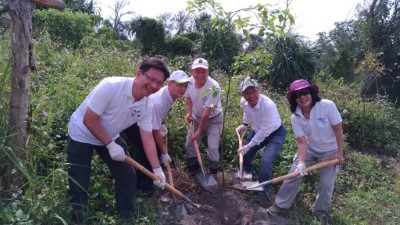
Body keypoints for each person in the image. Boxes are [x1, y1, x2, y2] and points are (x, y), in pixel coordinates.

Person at [66, 57, 170, 223]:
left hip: (109, 135)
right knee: (79, 182)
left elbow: (147, 137)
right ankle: (78, 219)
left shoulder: (147, 105)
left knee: (127, 175)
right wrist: (110, 144)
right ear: (138, 73)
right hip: (82, 133)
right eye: (151, 79)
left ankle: (126, 218)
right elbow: (89, 120)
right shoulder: (111, 86)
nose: (154, 86)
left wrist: (157, 169)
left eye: (159, 83)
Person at [267, 79, 344, 222]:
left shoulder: (327, 106)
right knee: (294, 174)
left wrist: (340, 153)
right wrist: (301, 163)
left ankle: (320, 212)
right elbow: (302, 141)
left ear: (312, 93)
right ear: (294, 99)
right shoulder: (295, 117)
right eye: (297, 94)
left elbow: (338, 129)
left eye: (305, 92)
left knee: (326, 184)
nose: (302, 97)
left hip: (330, 152)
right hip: (310, 149)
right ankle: (280, 204)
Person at [123, 70, 191, 196]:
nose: (182, 89)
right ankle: (143, 187)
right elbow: (154, 131)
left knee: (154, 150)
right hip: (132, 122)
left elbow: (156, 123)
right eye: (179, 85)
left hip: (144, 118)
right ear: (170, 83)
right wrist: (164, 153)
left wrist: (160, 123)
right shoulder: (159, 102)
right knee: (151, 151)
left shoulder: (169, 96)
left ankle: (147, 179)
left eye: (185, 86)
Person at [236, 78, 286, 195]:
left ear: (259, 90)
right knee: (245, 154)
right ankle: (248, 174)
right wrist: (244, 124)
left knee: (266, 160)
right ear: (242, 94)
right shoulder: (243, 102)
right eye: (247, 93)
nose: (251, 96)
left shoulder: (268, 106)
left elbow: (264, 132)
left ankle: (264, 188)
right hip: (258, 130)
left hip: (275, 133)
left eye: (253, 91)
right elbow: (247, 112)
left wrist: (249, 145)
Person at [184, 58, 223, 174]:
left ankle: (213, 170)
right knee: (190, 144)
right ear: (192, 72)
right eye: (197, 71)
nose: (200, 74)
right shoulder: (189, 83)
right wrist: (189, 114)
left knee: (212, 147)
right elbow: (189, 98)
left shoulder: (214, 87)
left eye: (203, 71)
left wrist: (199, 132)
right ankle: (194, 166)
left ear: (208, 72)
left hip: (214, 120)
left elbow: (207, 113)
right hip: (197, 118)